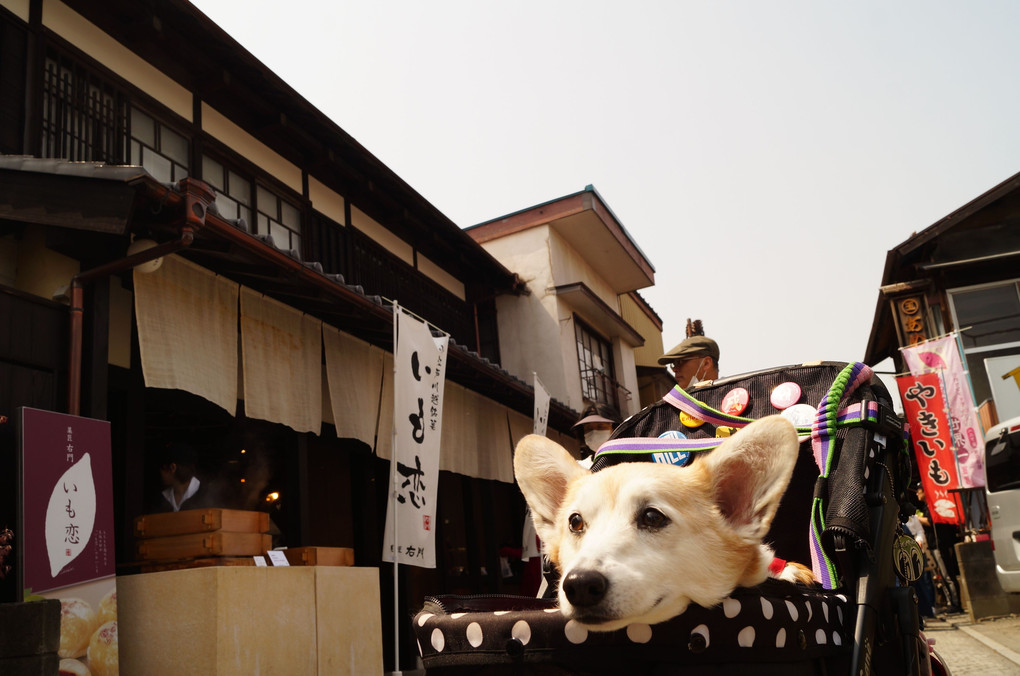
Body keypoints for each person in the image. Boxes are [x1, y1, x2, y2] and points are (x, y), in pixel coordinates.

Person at [658, 318, 720, 388]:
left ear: (706, 363)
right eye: (674, 364)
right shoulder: (675, 398)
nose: (675, 369)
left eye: (680, 362)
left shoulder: (731, 395)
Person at [155, 442, 209, 512]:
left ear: (172, 468)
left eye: (162, 469)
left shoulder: (206, 494)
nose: (160, 473)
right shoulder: (161, 499)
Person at [571, 403, 620, 467]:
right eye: (589, 428)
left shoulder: (629, 464)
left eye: (600, 426)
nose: (594, 432)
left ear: (614, 428)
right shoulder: (579, 467)